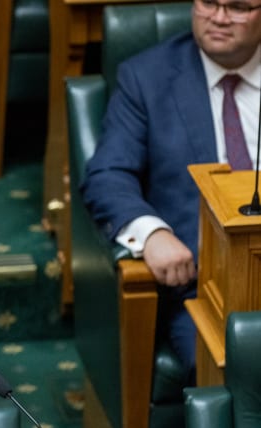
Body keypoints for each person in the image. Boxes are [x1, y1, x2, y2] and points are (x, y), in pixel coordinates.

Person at [81, 0, 261, 373]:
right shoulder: (147, 77)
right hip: (206, 288)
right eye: (209, 2)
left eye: (240, 7)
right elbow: (108, 174)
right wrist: (152, 233)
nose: (220, 18)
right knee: (239, 369)